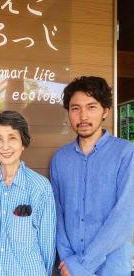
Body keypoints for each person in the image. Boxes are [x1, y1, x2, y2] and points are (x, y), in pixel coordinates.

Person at [50, 76, 134, 276]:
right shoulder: (60, 158)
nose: (83, 116)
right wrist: (68, 259)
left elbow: (126, 215)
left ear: (106, 111)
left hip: (112, 268)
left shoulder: (126, 153)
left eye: (91, 107)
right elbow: (56, 213)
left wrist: (83, 265)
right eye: (75, 108)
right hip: (69, 268)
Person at [0, 110, 56, 276]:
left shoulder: (40, 186)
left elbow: (47, 243)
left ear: (23, 143)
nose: (5, 146)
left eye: (12, 138)